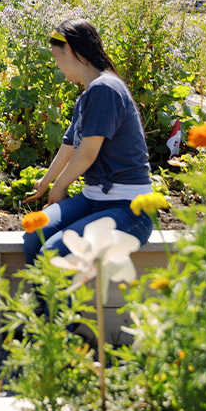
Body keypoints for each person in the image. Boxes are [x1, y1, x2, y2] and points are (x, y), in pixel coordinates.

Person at [23, 18, 154, 266]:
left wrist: (60, 186)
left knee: (53, 251)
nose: (56, 64)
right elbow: (69, 145)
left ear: (71, 51)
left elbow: (87, 154)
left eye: (56, 55)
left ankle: (59, 306)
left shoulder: (105, 89)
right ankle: (46, 304)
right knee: (34, 233)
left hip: (129, 209)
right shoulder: (88, 93)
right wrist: (46, 182)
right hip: (93, 200)